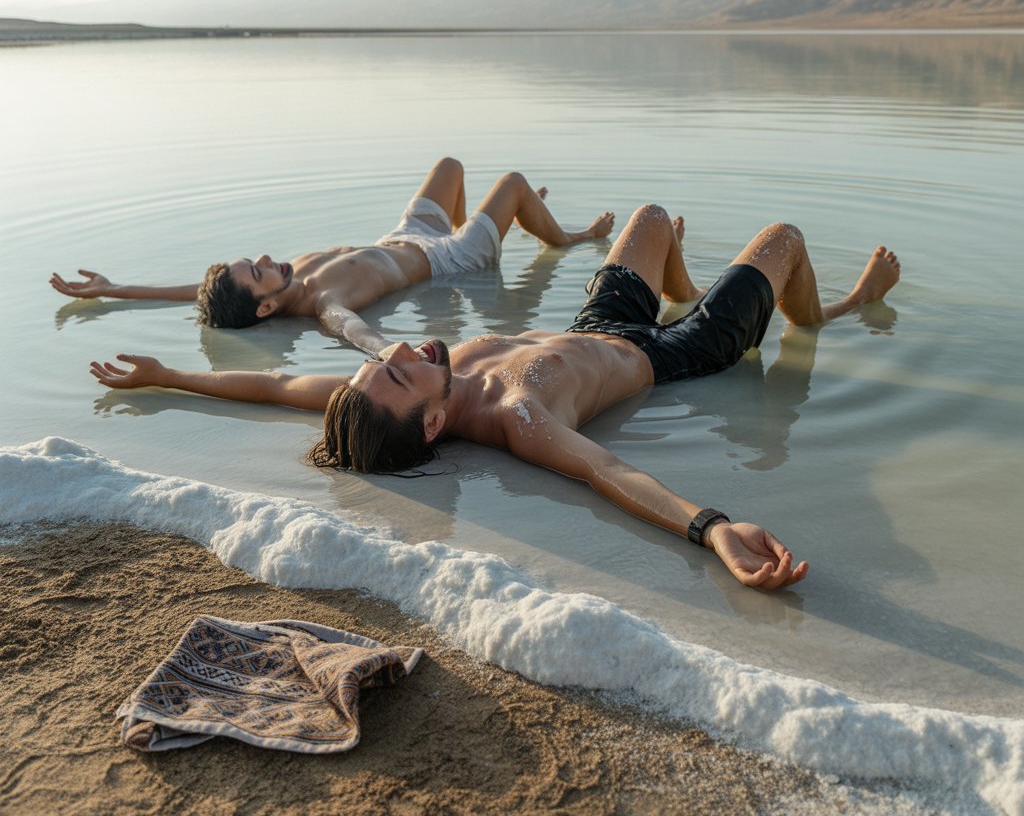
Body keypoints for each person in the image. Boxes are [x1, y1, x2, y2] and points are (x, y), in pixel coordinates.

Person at [89, 205, 900, 590]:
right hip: (676, 354)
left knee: (653, 220)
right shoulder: (518, 420)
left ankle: (710, 290)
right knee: (785, 238)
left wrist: (169, 375)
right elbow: (608, 473)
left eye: (386, 363)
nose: (400, 350)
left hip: (599, 319)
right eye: (401, 371)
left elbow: (272, 383)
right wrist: (713, 530)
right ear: (436, 422)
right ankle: (822, 311)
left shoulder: (391, 394)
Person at [51, 158, 614, 355]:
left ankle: (494, 225)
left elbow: (190, 292)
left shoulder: (283, 281)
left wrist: (112, 288)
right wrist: (397, 353)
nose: (267, 258)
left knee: (450, 166)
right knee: (513, 180)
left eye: (255, 259)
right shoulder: (324, 299)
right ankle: (564, 239)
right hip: (446, 259)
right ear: (266, 307)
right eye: (258, 271)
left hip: (404, 233)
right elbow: (353, 333)